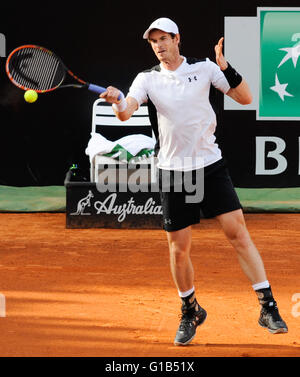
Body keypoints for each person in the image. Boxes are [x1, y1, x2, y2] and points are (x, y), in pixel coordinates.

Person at [100, 17, 288, 346]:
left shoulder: (204, 69)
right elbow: (127, 112)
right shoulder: (147, 79)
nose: (158, 45)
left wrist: (226, 67)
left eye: (163, 39)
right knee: (178, 248)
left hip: (209, 165)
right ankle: (190, 310)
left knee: (238, 233)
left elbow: (245, 97)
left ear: (177, 39)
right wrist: (117, 101)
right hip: (174, 171)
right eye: (153, 41)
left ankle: (267, 306)